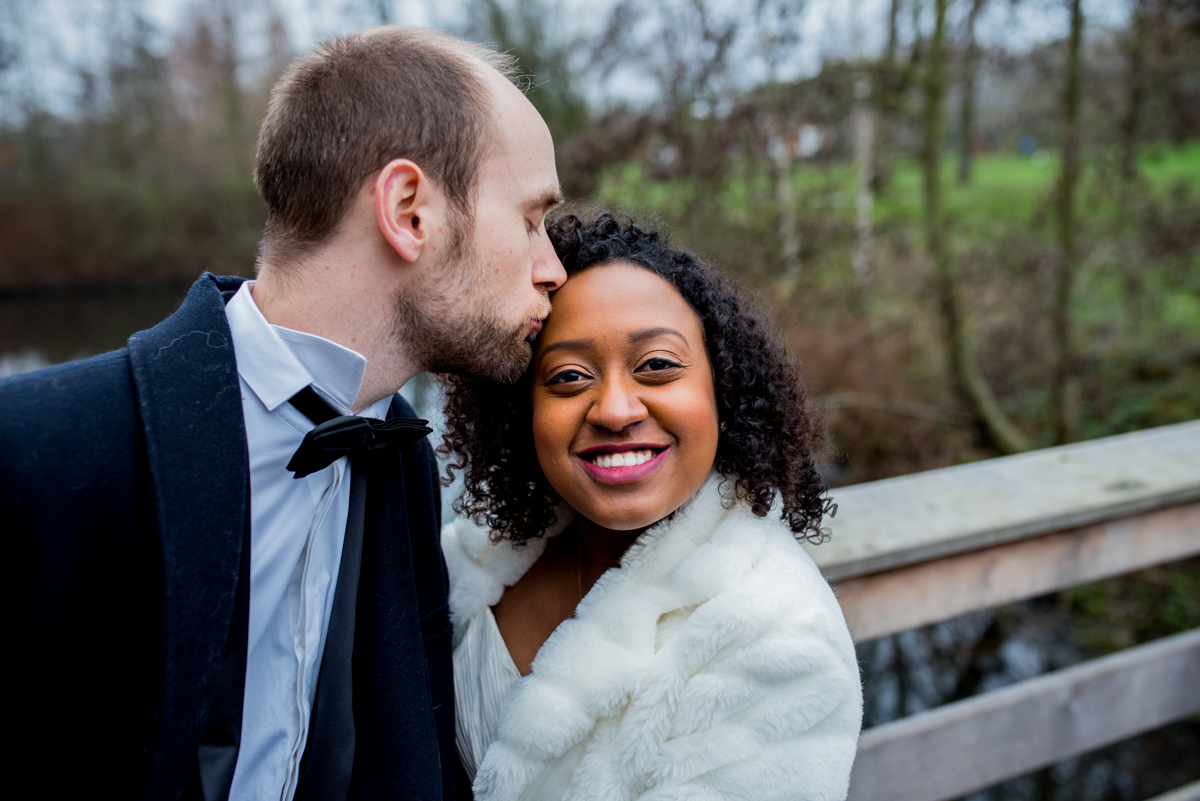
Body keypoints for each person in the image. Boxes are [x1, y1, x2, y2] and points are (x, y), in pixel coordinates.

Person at [4, 26, 565, 801]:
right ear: (409, 210)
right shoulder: (33, 450)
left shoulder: (400, 462)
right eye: (532, 219)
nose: (553, 269)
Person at [439, 212, 863, 801]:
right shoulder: (477, 555)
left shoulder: (780, 642)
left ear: (723, 392)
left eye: (657, 365)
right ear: (521, 409)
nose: (614, 410)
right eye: (568, 376)